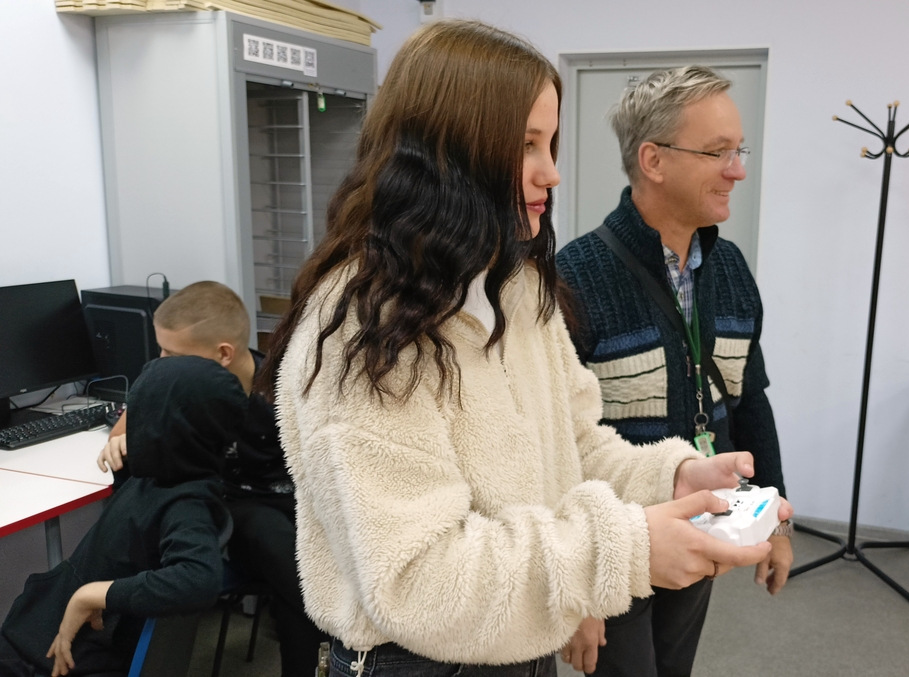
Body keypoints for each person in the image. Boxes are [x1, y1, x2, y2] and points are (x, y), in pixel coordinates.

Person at [256, 19, 792, 677]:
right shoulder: (364, 329)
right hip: (415, 663)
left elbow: (574, 445)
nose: (552, 172)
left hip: (521, 640)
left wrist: (669, 476)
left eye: (550, 142)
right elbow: (417, 579)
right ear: (449, 152)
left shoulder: (517, 287)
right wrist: (624, 550)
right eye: (526, 145)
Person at [555, 65, 792, 676]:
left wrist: (776, 517)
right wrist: (580, 586)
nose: (738, 170)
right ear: (653, 160)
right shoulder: (574, 277)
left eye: (739, 151)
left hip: (703, 524)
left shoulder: (731, 270)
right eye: (718, 152)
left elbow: (750, 401)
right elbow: (553, 443)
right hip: (616, 544)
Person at [95, 281, 327, 677]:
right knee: (280, 550)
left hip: (290, 502)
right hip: (224, 507)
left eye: (172, 354)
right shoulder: (179, 385)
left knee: (302, 561)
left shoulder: (284, 389)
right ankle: (323, 619)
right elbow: (126, 427)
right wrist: (120, 442)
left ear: (223, 354)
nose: (161, 363)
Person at [0, 356, 247, 677]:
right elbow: (138, 531)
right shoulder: (173, 475)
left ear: (162, 425)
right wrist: (130, 467)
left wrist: (92, 595)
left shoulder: (187, 503)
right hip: (52, 634)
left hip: (55, 653)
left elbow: (199, 580)